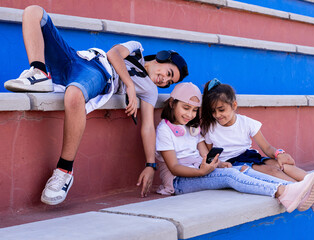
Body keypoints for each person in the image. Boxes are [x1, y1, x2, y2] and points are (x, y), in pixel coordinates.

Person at [4, 5, 189, 205]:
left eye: (170, 83)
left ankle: (64, 170)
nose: (164, 81)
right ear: (161, 58)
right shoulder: (136, 47)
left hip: (99, 74)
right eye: (168, 73)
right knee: (34, 11)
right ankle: (39, 71)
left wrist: (150, 164)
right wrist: (129, 86)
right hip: (80, 58)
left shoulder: (150, 90)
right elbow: (113, 54)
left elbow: (147, 127)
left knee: (74, 95)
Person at [155, 82, 314, 213]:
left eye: (194, 110)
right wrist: (202, 172)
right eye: (186, 108)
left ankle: (298, 191)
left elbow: (205, 156)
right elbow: (175, 168)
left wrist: (219, 164)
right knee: (232, 175)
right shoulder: (164, 130)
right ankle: (284, 191)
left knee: (239, 170)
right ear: (172, 103)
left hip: (200, 172)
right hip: (180, 182)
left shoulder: (192, 128)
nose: (190, 114)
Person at [200, 78, 314, 212]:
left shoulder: (247, 122)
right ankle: (313, 194)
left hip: (250, 156)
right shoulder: (210, 129)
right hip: (233, 164)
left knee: (282, 165)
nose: (217, 115)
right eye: (213, 111)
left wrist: (279, 154)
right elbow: (209, 156)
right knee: (273, 171)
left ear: (234, 105)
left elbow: (267, 148)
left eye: (221, 110)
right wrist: (220, 164)